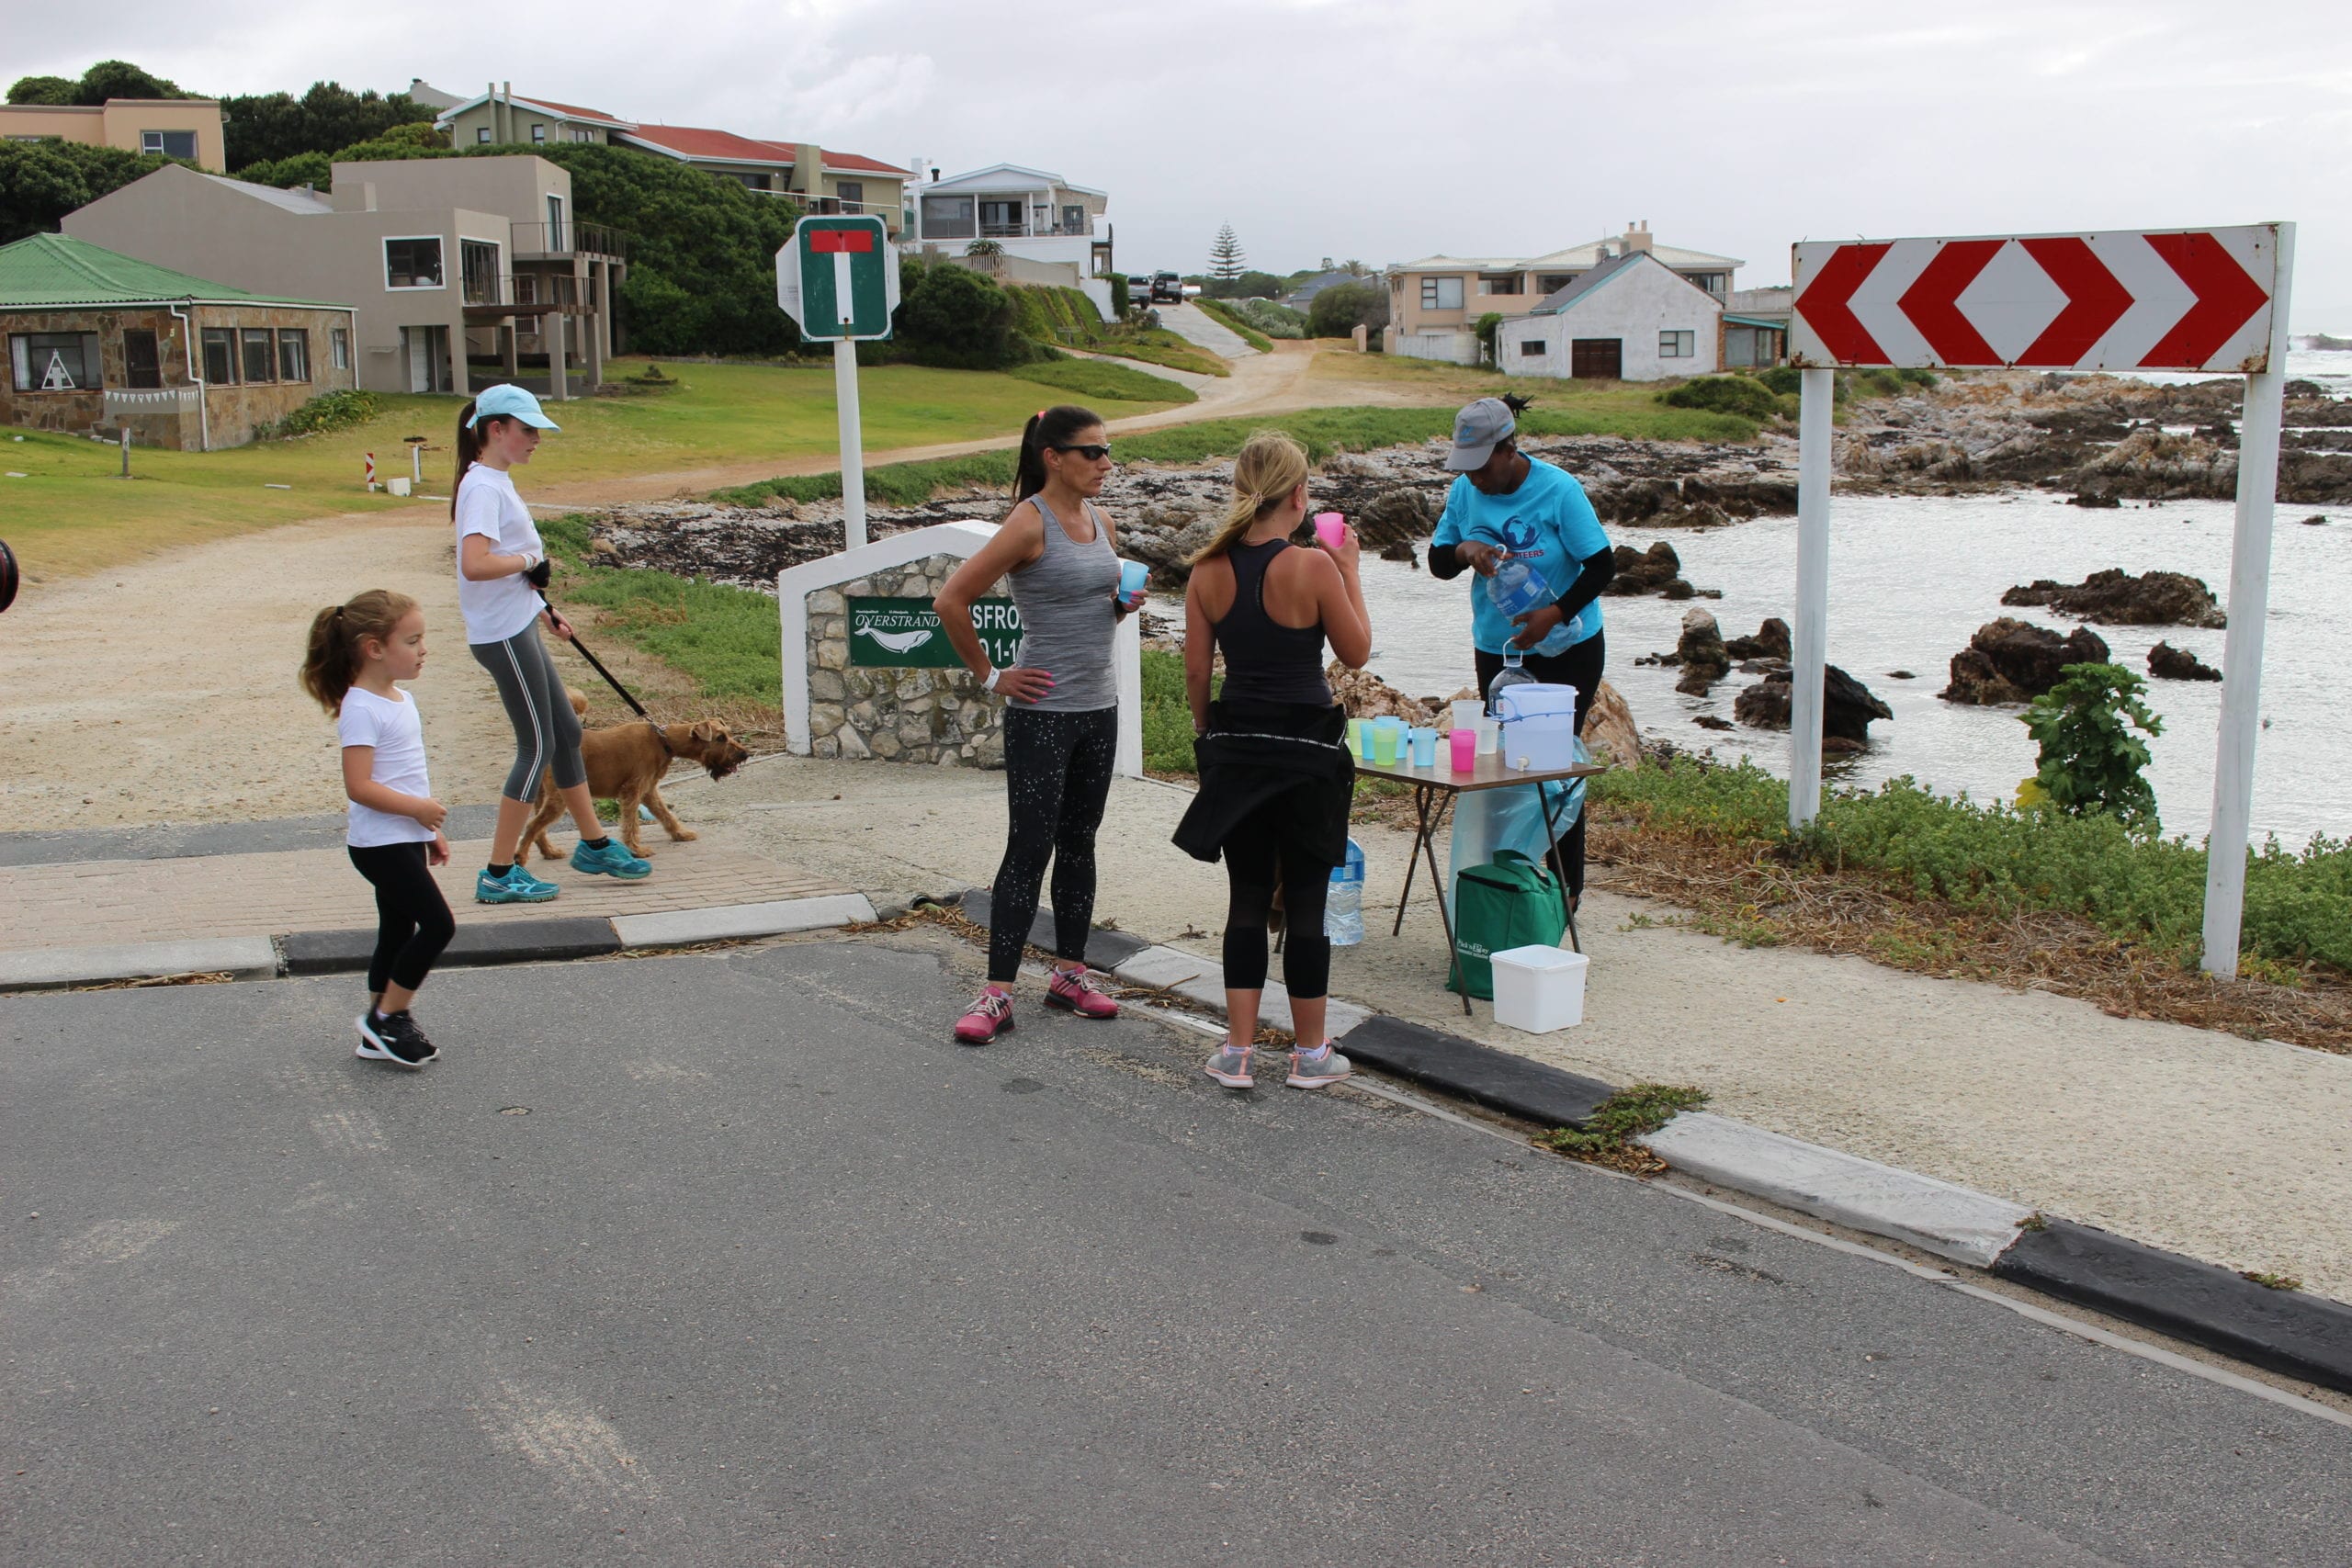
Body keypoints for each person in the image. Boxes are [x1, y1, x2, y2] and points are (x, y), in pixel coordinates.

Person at [934, 405, 1140, 1044]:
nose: (1106, 463)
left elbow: (1096, 612)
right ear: (1053, 456)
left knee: (1080, 840)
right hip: (1042, 716)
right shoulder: (1029, 522)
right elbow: (951, 600)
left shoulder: (1100, 519)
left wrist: (1122, 606)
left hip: (1097, 708)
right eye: (1093, 452)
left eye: (1108, 451)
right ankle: (997, 992)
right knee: (1030, 848)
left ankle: (1070, 976)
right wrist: (994, 676)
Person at [1173, 432, 1371, 1090]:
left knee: (1249, 898)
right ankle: (1311, 1055)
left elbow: (1198, 669)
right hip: (1310, 748)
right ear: (1299, 495)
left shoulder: (1207, 569)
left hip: (1240, 747)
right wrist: (1350, 571)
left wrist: (1211, 740)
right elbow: (1356, 652)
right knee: (1308, 902)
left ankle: (1237, 1051)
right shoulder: (1313, 566)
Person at [452, 383, 650, 903]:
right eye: (527, 429)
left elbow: (508, 564)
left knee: (565, 730)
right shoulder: (483, 488)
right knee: (536, 745)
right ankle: (498, 872)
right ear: (496, 429)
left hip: (518, 621)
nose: (536, 439)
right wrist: (528, 564)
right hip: (500, 636)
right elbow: (476, 565)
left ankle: (594, 844)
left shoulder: (498, 479)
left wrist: (543, 607)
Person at [1427, 396, 1616, 908]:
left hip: (1567, 647)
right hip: (1500, 650)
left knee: (1552, 770)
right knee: (1502, 767)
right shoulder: (1466, 493)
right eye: (1465, 468)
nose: (1475, 478)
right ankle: (1503, 883)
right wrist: (1466, 550)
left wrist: (1552, 616)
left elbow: (1602, 566)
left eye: (1482, 465)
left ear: (1509, 449)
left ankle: (1564, 892)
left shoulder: (1559, 491)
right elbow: (1439, 563)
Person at [300, 589, 455, 1070]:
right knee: (438, 926)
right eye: (412, 640)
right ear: (374, 648)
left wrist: (425, 827)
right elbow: (359, 786)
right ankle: (388, 1015)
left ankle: (378, 1024)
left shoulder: (399, 699)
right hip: (377, 844)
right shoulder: (362, 707)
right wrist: (418, 809)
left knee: (396, 929)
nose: (423, 649)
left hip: (402, 836)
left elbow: (407, 774)